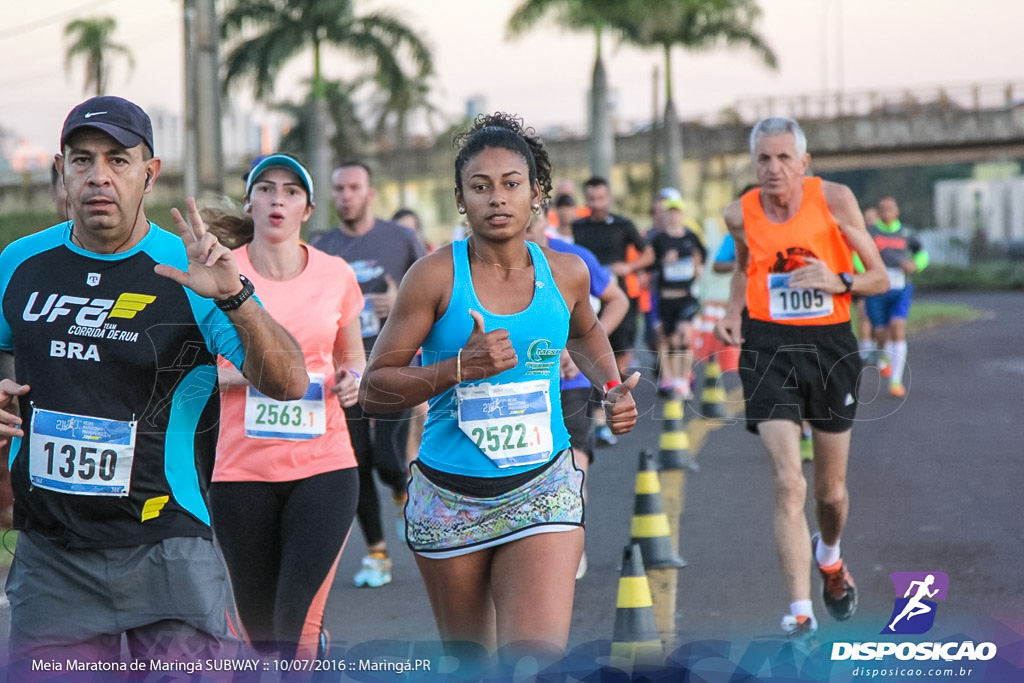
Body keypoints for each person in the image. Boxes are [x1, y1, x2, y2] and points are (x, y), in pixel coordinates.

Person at [0, 96, 307, 671]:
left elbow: (290, 382)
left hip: (169, 548)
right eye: (82, 159)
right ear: (61, 168)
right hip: (52, 558)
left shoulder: (193, 267)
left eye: (118, 160)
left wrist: (235, 297)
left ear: (150, 172)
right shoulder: (19, 263)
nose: (98, 177)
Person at [359, 113, 639, 669]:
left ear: (536, 193)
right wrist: (460, 368)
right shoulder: (433, 277)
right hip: (450, 496)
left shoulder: (567, 273)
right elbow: (374, 390)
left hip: (544, 486)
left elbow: (585, 330)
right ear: (460, 199)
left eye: (512, 183)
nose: (497, 198)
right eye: (480, 186)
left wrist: (610, 387)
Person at [714, 116, 888, 638]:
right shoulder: (738, 213)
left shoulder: (834, 200)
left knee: (829, 493)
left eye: (784, 158)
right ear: (753, 164)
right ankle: (800, 610)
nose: (773, 168)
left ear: (804, 163)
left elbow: (880, 277)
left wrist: (840, 279)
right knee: (789, 483)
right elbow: (746, 265)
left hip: (831, 347)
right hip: (767, 347)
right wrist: (731, 310)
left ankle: (830, 558)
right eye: (763, 159)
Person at [203, 154, 364, 660]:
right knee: (259, 632)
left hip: (325, 465)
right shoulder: (221, 274)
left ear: (308, 209)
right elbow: (201, 365)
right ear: (249, 202)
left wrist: (353, 377)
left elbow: (351, 353)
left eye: (291, 191)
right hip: (241, 470)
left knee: (294, 620)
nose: (278, 199)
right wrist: (263, 377)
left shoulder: (336, 274)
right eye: (267, 189)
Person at [312, 161, 427, 588]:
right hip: (344, 370)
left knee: (386, 459)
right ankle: (377, 553)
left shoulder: (400, 238)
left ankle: (401, 490)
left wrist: (400, 303)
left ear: (370, 192)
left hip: (394, 365)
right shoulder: (323, 246)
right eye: (338, 188)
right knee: (356, 462)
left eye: (354, 187)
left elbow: (436, 291)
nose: (345, 195)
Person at [524, 204, 629, 579]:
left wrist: (581, 343)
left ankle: (571, 541)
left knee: (573, 467)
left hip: (571, 383)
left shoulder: (574, 259)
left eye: (533, 223)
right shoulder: (489, 266)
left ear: (544, 221)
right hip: (521, 390)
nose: (527, 231)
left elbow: (618, 299)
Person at [573, 176, 652, 445]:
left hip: (618, 297)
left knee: (615, 360)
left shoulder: (623, 224)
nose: (596, 204)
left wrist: (628, 268)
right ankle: (597, 415)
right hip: (585, 300)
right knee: (590, 355)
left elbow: (648, 254)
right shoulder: (577, 227)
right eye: (591, 199)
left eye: (601, 198)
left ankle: (613, 401)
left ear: (608, 198)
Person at [864, 197, 928, 397]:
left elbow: (922, 254)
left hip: (901, 288)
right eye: (883, 209)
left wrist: (916, 265)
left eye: (891, 208)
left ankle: (896, 381)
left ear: (897, 210)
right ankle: (881, 355)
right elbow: (856, 255)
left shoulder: (907, 233)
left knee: (898, 328)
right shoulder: (871, 233)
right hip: (876, 290)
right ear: (879, 212)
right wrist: (868, 273)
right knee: (881, 331)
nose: (887, 212)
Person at [649, 198, 707, 399]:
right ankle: (669, 378)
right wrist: (664, 262)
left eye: (677, 212)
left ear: (682, 215)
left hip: (686, 296)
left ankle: (683, 378)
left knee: (685, 336)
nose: (674, 216)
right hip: (666, 296)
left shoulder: (691, 237)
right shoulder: (658, 240)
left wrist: (698, 267)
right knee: (668, 340)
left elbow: (703, 256)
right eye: (670, 212)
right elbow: (650, 265)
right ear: (664, 215)